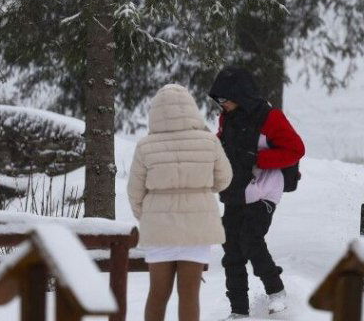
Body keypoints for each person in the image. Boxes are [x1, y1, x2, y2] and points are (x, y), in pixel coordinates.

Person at [127, 84, 233, 321]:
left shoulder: (146, 146)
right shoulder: (208, 141)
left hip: (160, 230)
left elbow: (135, 192)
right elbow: (224, 179)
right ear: (191, 109)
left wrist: (147, 217)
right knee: (189, 296)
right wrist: (203, 189)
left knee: (157, 294)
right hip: (196, 229)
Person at [209, 66, 305, 319]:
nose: (222, 105)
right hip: (235, 190)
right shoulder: (226, 118)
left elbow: (295, 149)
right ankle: (238, 311)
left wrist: (259, 159)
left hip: (265, 190)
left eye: (225, 100)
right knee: (231, 250)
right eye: (218, 100)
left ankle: (276, 291)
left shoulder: (270, 117)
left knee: (250, 239)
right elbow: (223, 143)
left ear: (240, 95)